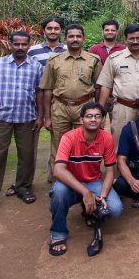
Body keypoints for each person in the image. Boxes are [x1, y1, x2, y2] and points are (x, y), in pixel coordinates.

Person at [0, 31, 43, 221]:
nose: (20, 48)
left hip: (27, 117)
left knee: (27, 155)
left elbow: (39, 92)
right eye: (17, 44)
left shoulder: (36, 67)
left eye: (24, 44)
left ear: (29, 45)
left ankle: (23, 187)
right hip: (1, 118)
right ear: (10, 45)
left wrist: (40, 115)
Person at [48, 102, 123, 257]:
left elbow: (109, 171)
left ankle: (90, 211)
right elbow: (58, 170)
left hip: (93, 182)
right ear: (82, 120)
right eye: (89, 116)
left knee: (115, 209)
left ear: (102, 120)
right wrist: (85, 193)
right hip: (71, 183)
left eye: (97, 116)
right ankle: (58, 233)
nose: (93, 119)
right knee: (58, 192)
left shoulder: (107, 139)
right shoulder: (69, 137)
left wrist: (102, 195)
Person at [40, 24, 102, 184]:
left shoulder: (94, 60)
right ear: (65, 38)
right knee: (59, 147)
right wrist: (47, 117)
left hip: (85, 106)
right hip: (60, 107)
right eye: (71, 36)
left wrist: (99, 113)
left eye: (78, 36)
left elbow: (99, 87)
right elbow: (47, 89)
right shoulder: (54, 61)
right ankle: (59, 184)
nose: (75, 39)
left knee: (84, 145)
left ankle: (83, 180)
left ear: (83, 39)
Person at [97, 23, 139, 141]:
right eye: (131, 38)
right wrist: (100, 112)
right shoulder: (114, 59)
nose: (135, 41)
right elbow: (106, 86)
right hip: (122, 108)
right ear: (125, 39)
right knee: (120, 142)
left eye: (138, 38)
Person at [27, 16, 67, 184]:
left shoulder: (67, 49)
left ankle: (56, 175)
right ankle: (25, 181)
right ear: (43, 30)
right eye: (49, 28)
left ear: (61, 31)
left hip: (59, 99)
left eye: (56, 28)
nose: (52, 31)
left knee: (59, 139)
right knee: (29, 143)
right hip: (36, 99)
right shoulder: (32, 51)